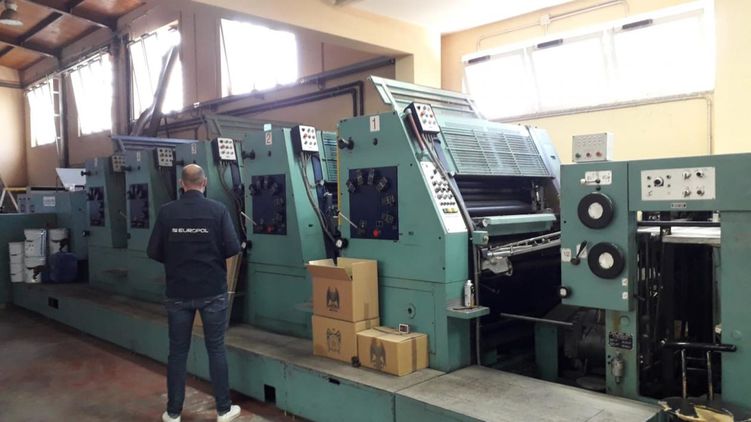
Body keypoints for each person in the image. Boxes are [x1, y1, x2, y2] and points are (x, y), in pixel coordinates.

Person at [147, 164, 242, 422]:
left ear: (182, 184)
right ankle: (223, 410)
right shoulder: (218, 211)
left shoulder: (167, 212)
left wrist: (177, 259)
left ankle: (173, 413)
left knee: (178, 352)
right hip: (212, 291)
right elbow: (233, 248)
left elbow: (153, 251)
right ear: (205, 182)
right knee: (216, 349)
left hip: (178, 292)